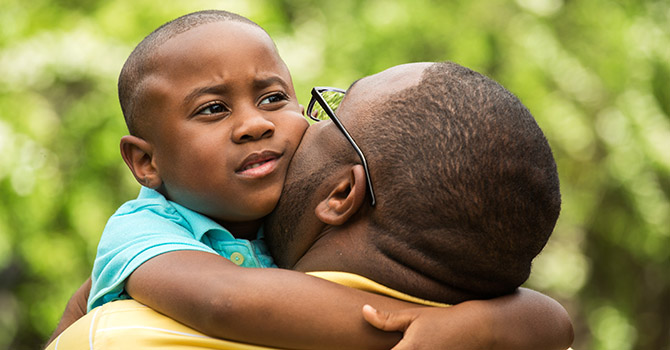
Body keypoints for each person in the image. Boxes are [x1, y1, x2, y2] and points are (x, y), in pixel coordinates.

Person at [46, 10, 573, 350]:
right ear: (146, 163)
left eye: (274, 98)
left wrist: (478, 327)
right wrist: (410, 327)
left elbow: (553, 320)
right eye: (211, 109)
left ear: (342, 194)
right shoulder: (142, 231)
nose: (256, 124)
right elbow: (225, 301)